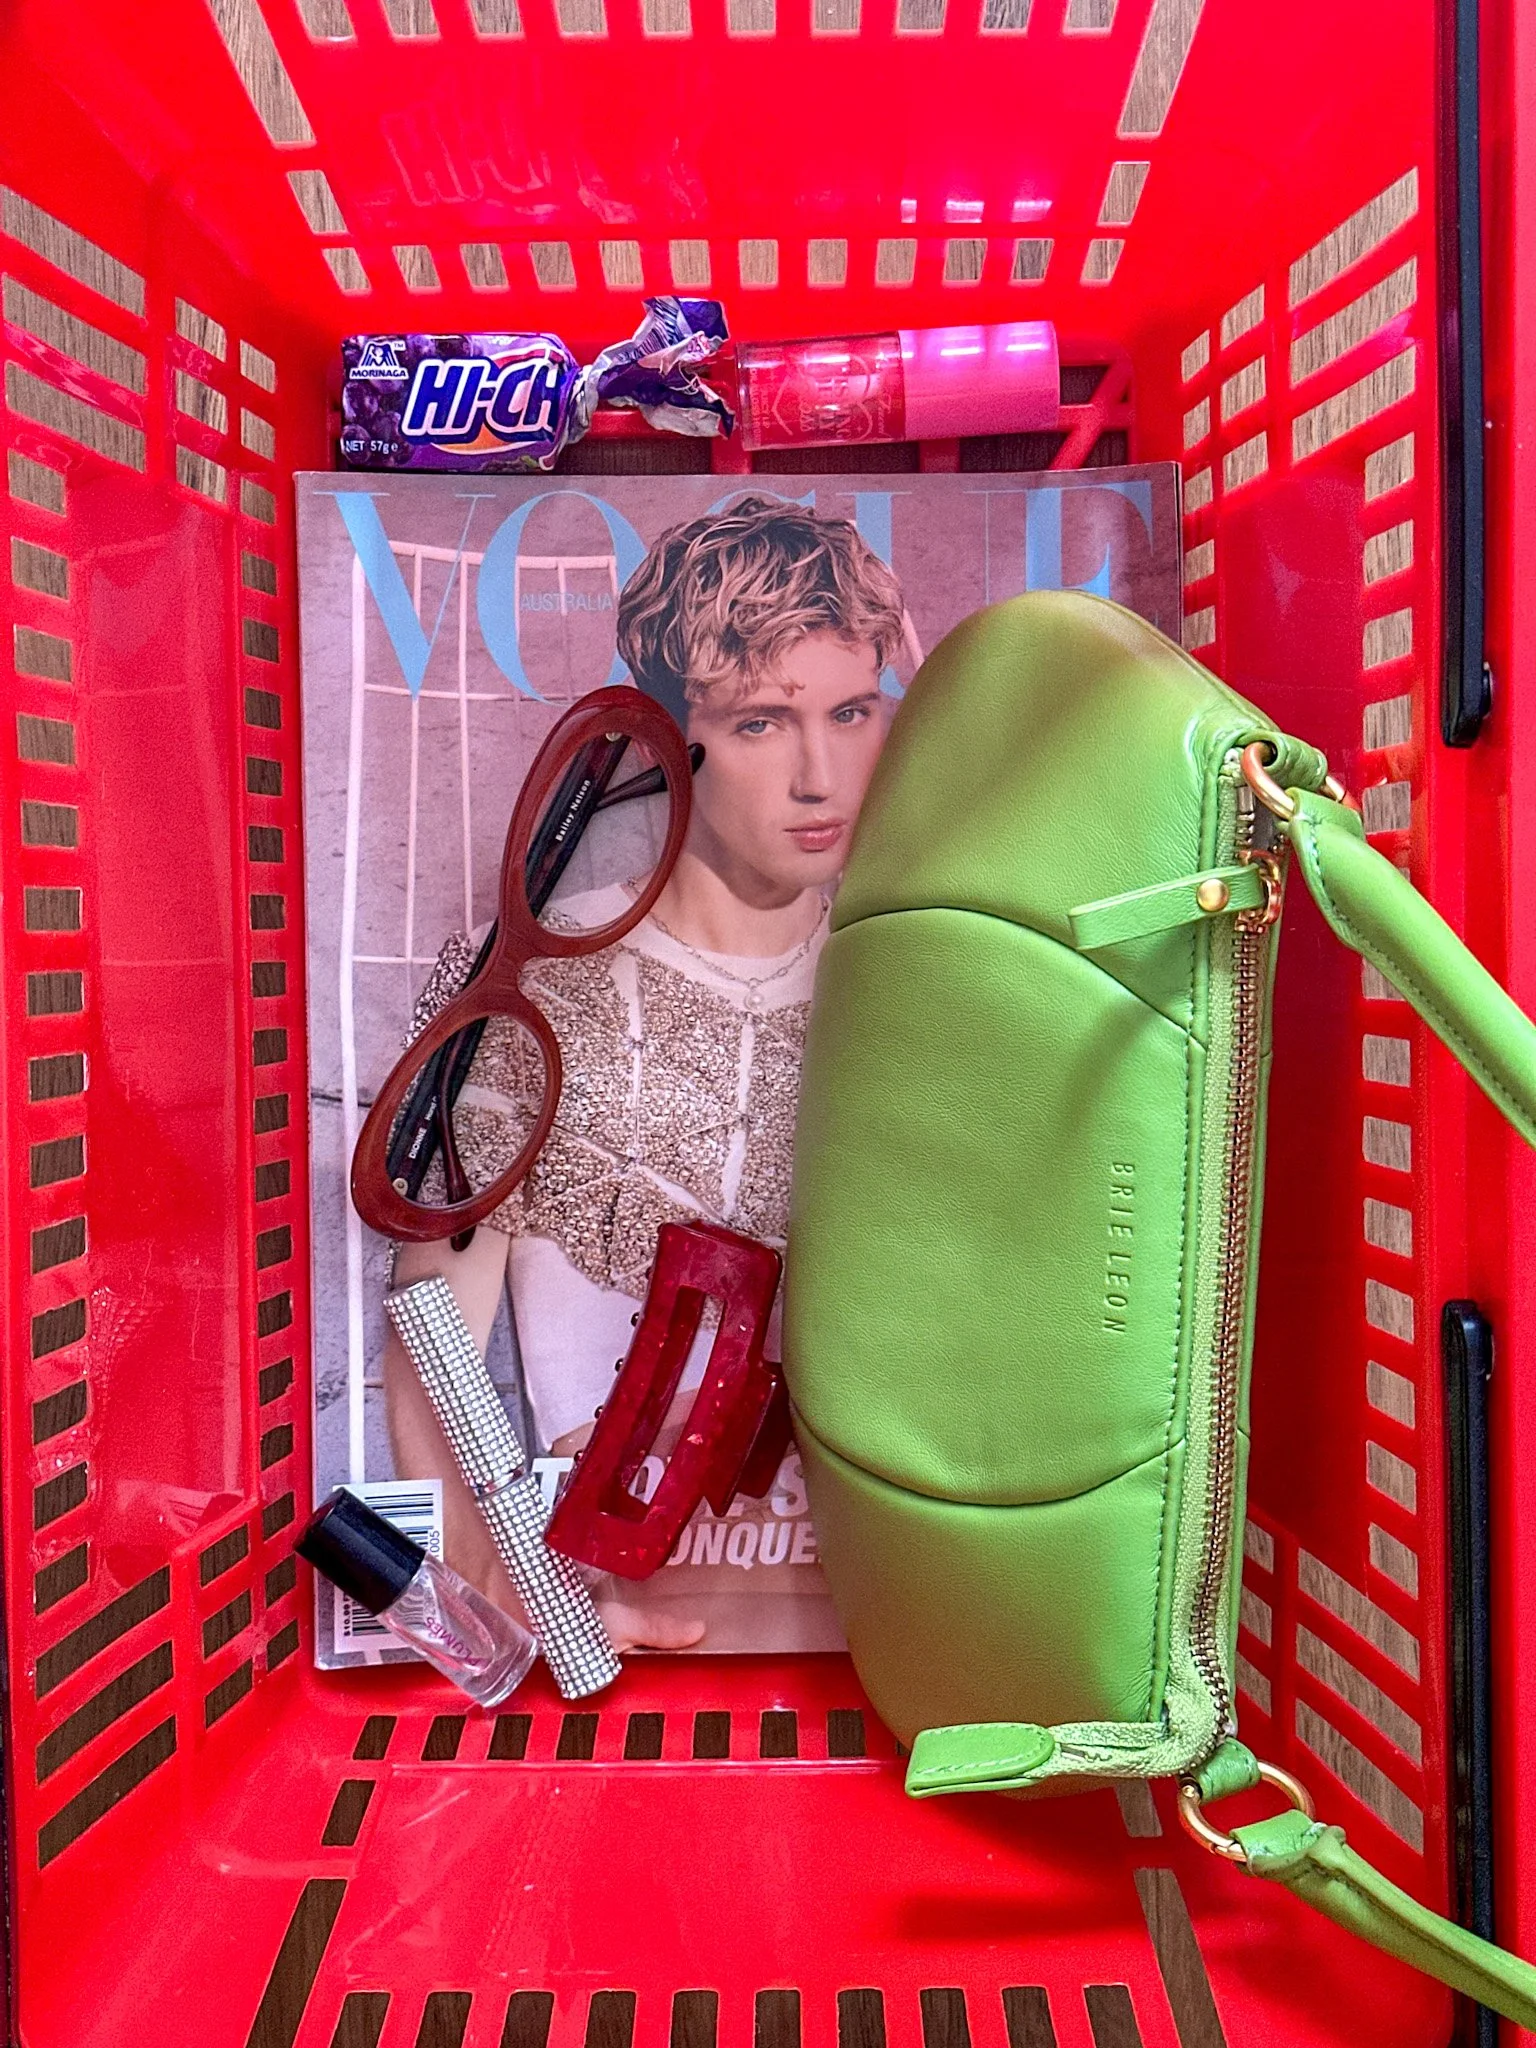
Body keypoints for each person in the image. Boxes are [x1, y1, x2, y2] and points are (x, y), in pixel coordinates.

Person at [382, 494, 908, 1650]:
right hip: (596, 1578)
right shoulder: (547, 973)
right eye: (767, 722)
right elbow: (435, 1318)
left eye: (853, 711)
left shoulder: (914, 980)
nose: (822, 776)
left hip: (865, 1599)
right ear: (673, 733)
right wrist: (498, 1574)